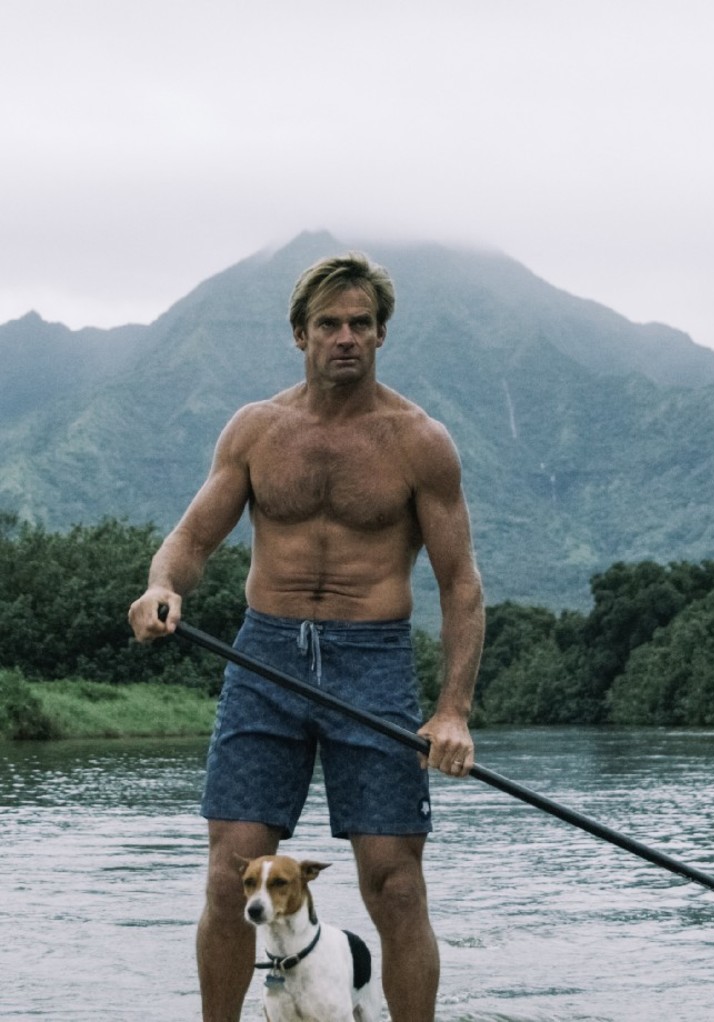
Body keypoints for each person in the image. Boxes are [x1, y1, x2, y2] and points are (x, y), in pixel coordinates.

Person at [127, 252, 485, 1022]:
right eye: (330, 324)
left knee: (395, 883)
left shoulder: (420, 442)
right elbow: (190, 540)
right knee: (231, 871)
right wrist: (163, 587)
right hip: (264, 660)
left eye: (361, 324)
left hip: (373, 661)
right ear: (300, 334)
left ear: (382, 334)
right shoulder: (258, 431)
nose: (346, 337)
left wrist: (453, 709)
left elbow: (461, 586)